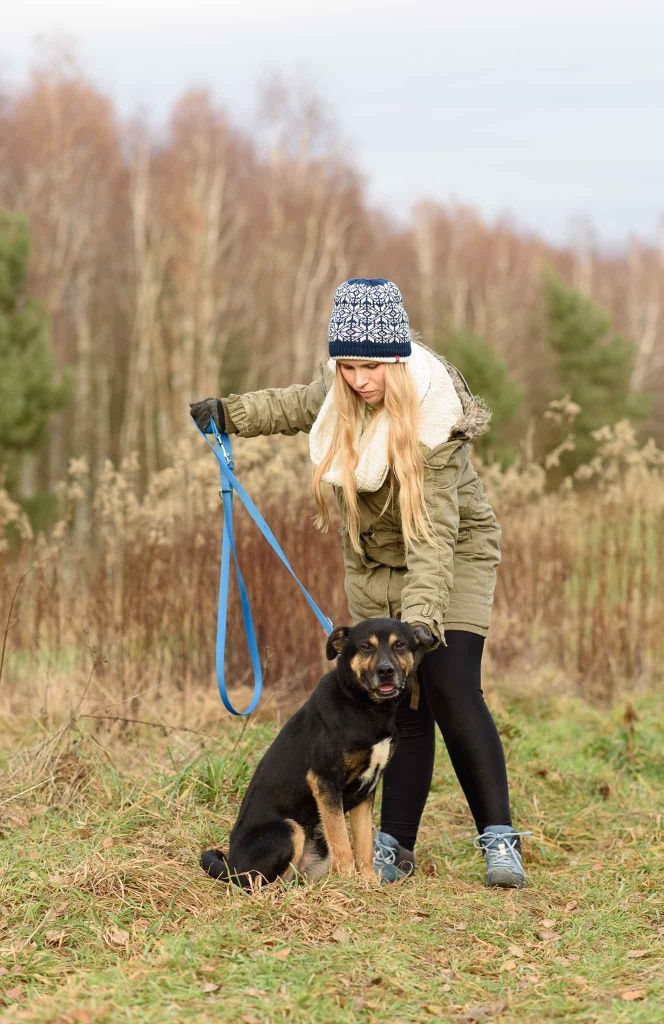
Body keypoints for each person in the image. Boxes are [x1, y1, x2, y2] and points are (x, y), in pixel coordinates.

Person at [190, 277, 530, 888]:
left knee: (448, 686)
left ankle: (498, 841)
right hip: (374, 562)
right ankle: (394, 845)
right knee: (396, 703)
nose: (360, 379)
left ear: (397, 359)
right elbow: (297, 404)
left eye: (371, 364)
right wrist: (230, 414)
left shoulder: (435, 426)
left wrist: (421, 624)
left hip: (450, 552)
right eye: (347, 364)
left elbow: (433, 540)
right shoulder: (339, 388)